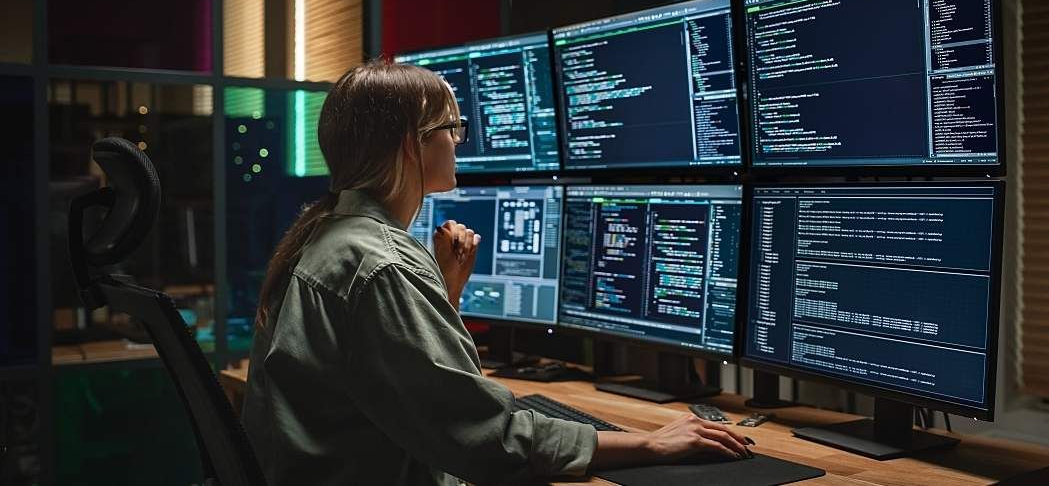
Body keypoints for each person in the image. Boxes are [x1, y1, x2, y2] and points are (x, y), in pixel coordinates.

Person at [241, 59, 753, 485]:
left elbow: (403, 387)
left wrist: (444, 295)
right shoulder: (380, 264)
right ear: (409, 145)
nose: (458, 140)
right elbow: (488, 437)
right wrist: (651, 442)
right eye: (450, 127)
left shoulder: (327, 235)